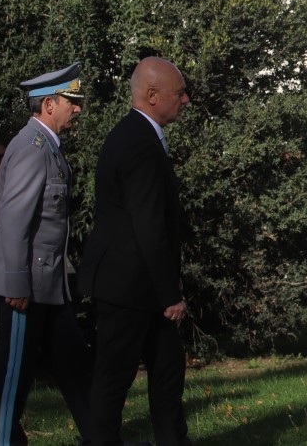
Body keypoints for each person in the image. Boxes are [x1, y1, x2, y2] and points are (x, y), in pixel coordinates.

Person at [81, 56, 193, 446]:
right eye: (179, 93)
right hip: (129, 288)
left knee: (167, 373)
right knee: (113, 381)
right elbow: (148, 226)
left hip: (140, 285)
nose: (186, 100)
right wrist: (170, 294)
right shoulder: (138, 143)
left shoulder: (136, 136)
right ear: (151, 95)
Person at [0, 63, 95, 446]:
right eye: (73, 101)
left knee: (76, 367)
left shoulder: (48, 147)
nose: (79, 109)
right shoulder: (32, 148)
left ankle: (102, 439)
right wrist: (15, 286)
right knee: (12, 378)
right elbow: (14, 222)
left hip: (49, 289)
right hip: (28, 291)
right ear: (50, 104)